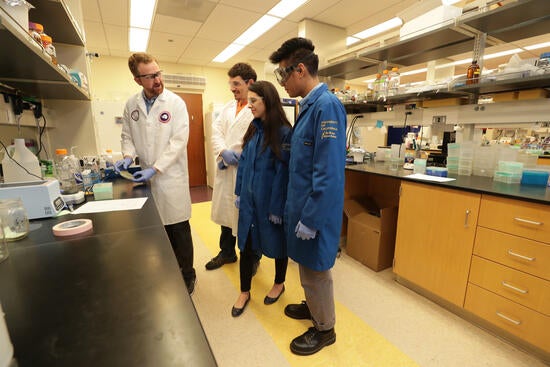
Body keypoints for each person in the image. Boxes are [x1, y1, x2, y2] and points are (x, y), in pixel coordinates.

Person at [269, 38, 347, 355]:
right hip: (301, 208)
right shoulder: (309, 106)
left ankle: (325, 329)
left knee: (316, 271)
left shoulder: (326, 107)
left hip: (313, 213)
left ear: (300, 70)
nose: (282, 83)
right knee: (307, 267)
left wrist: (311, 218)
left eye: (282, 75)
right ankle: (313, 307)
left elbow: (328, 173)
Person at [115, 52, 196, 294]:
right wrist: (128, 156)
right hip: (146, 178)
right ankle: (167, 270)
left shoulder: (175, 103)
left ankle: (187, 274)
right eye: (150, 76)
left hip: (171, 177)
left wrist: (156, 168)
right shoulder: (132, 105)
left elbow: (179, 141)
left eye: (158, 73)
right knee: (156, 229)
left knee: (179, 229)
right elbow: (127, 135)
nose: (157, 80)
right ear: (137, 79)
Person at [231, 81, 292, 317]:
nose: (249, 106)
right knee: (245, 246)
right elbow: (244, 164)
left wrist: (277, 208)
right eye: (249, 101)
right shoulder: (254, 130)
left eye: (254, 101)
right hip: (249, 202)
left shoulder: (284, 133)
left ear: (268, 101)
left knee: (278, 244)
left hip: (270, 204)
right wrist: (239, 192)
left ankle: (279, 283)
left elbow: (283, 173)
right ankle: (244, 291)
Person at [206, 63, 259, 271]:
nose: (232, 88)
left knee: (248, 216)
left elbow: (261, 137)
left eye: (236, 84)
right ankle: (227, 252)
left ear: (250, 83)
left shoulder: (257, 106)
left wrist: (242, 156)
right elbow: (216, 131)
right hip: (227, 167)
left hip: (245, 170)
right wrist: (222, 153)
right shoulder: (228, 107)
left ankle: (253, 257)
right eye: (231, 84)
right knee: (226, 213)